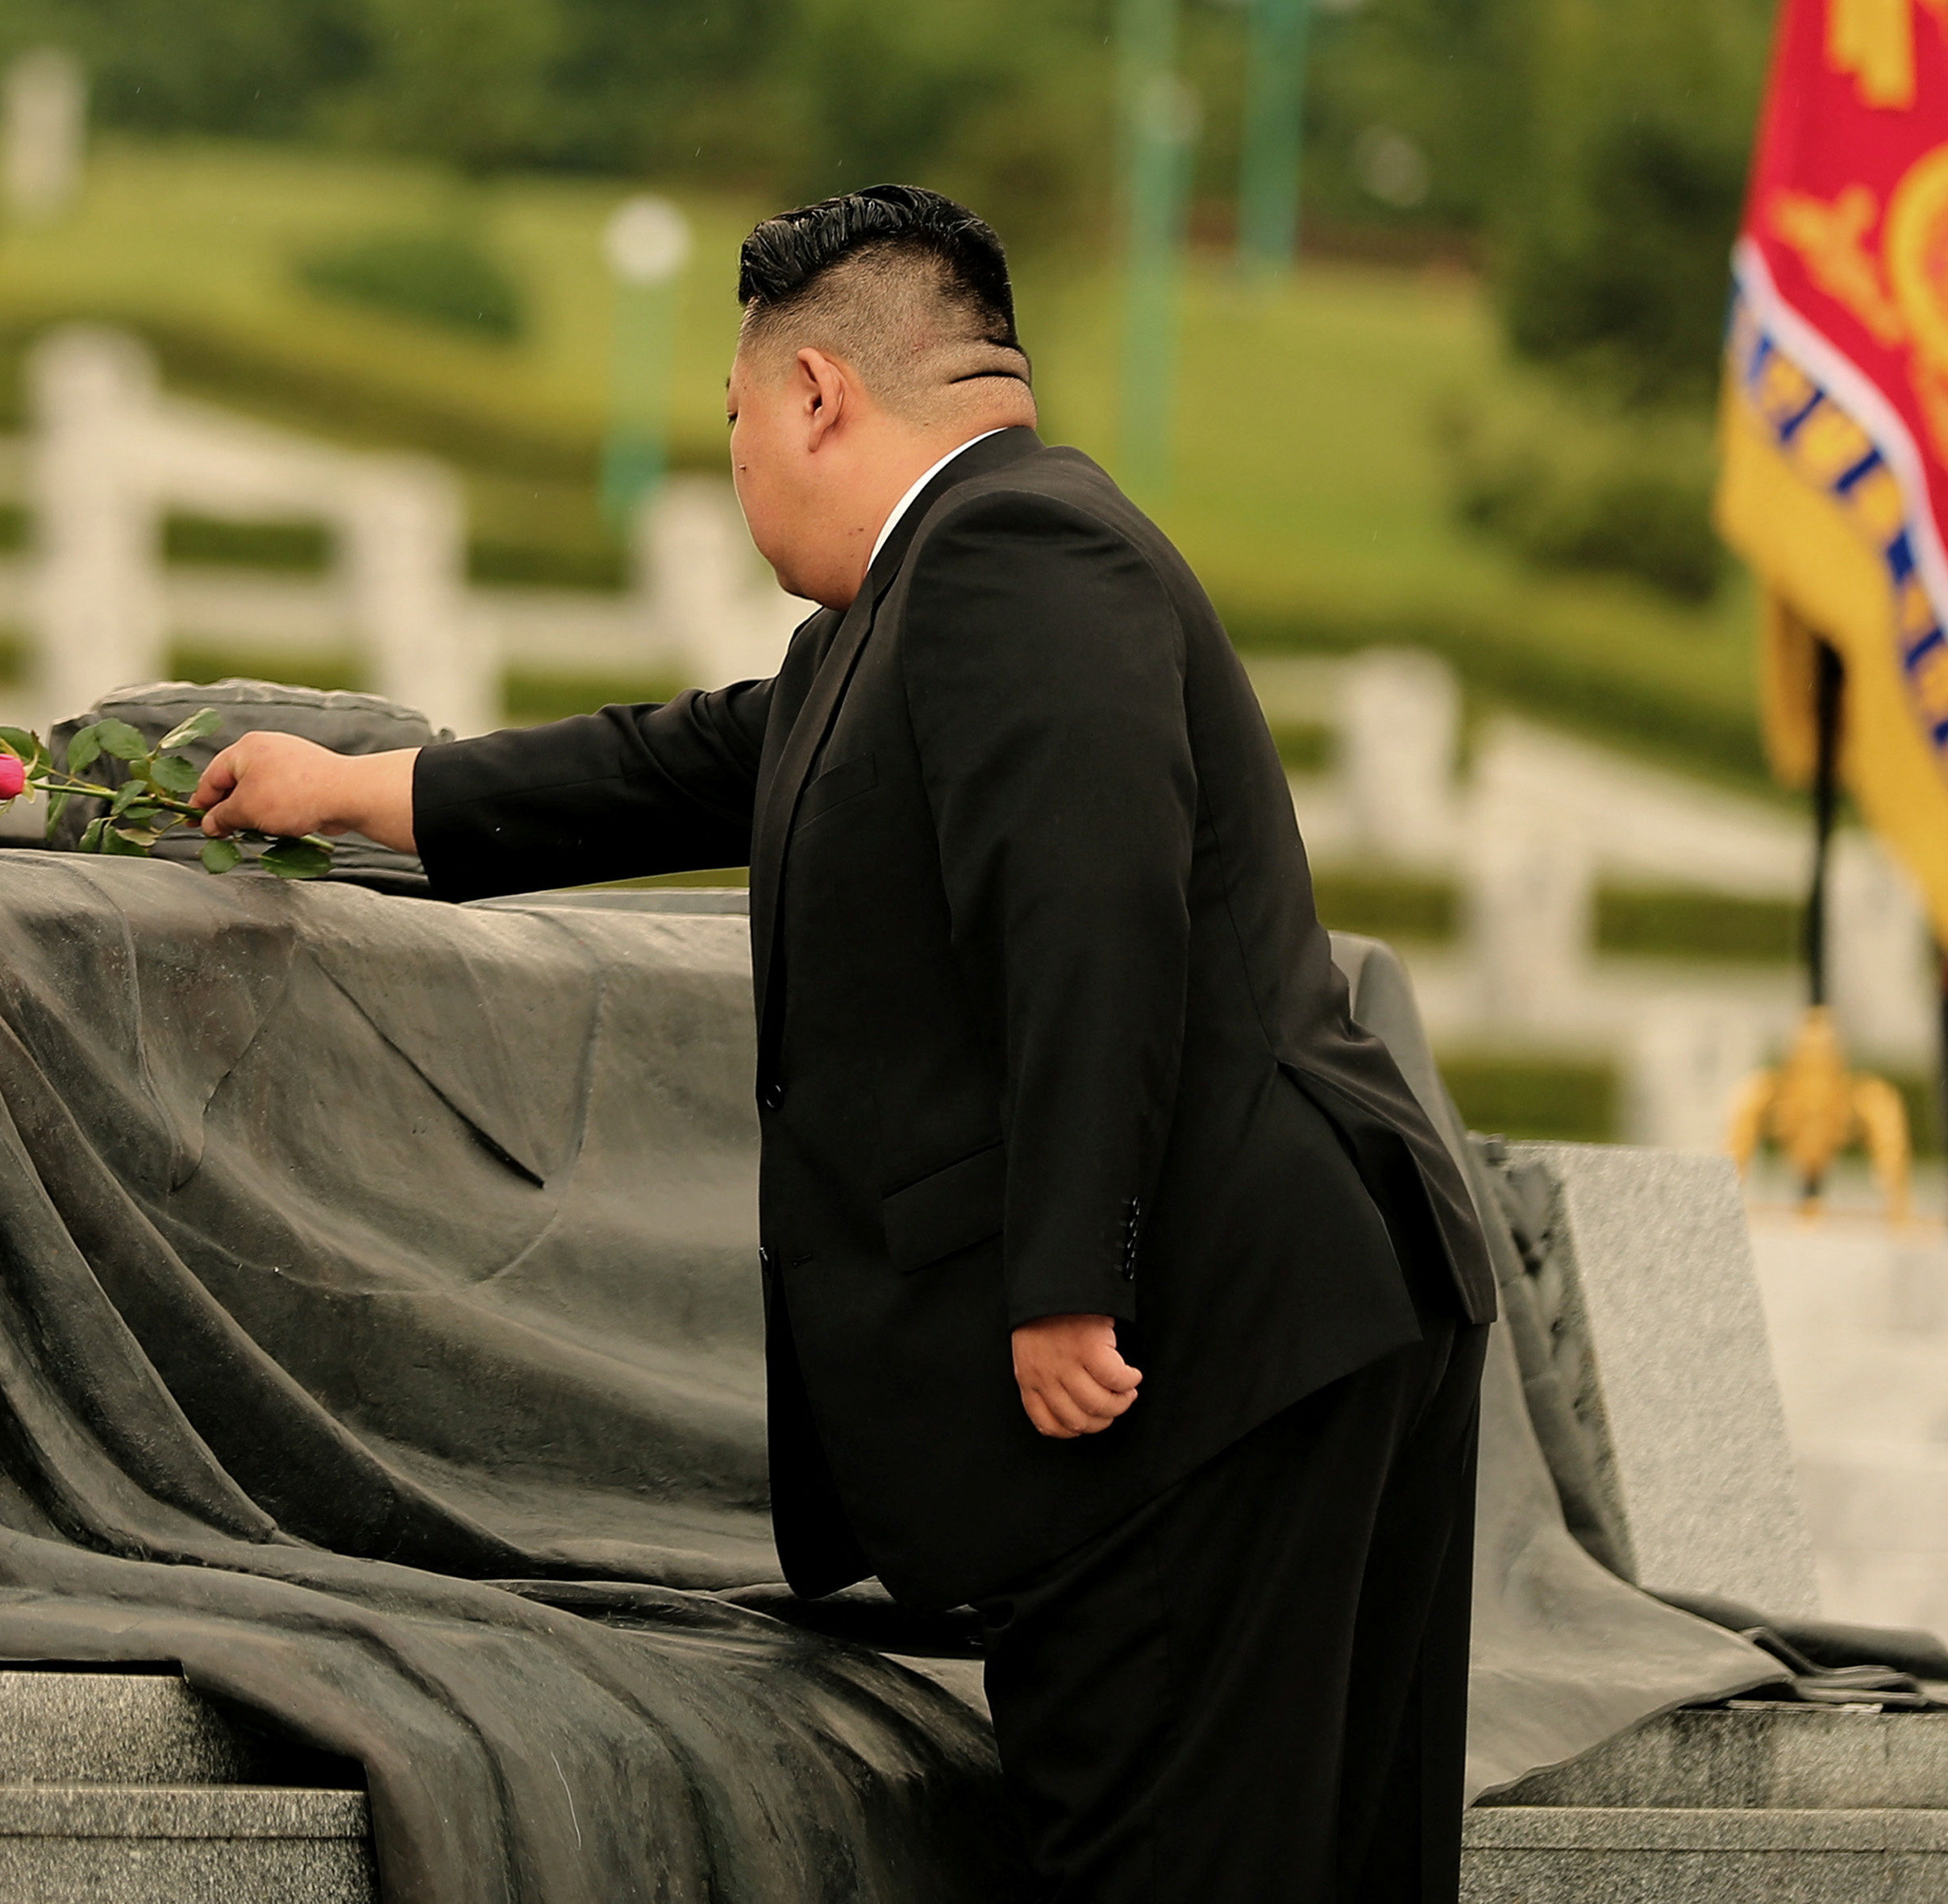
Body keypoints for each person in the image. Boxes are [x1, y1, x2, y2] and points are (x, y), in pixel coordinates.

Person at [187, 185, 1499, 1903]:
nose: (733, 476)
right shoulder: (910, 612)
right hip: (1259, 1344)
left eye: (732, 426)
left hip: (1205, 1359)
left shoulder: (1024, 551)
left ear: (815, 393)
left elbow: (1087, 897)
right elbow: (682, 762)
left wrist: (1064, 1274)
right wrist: (359, 788)